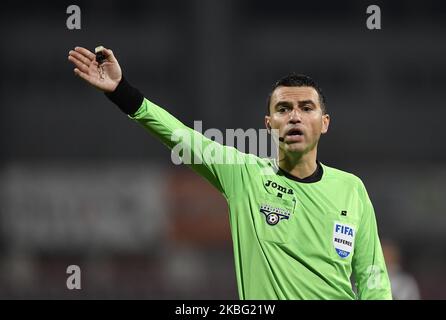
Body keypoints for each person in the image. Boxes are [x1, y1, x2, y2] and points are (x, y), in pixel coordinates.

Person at [68, 46, 392, 299]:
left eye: (306, 108)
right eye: (283, 109)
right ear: (269, 125)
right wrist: (122, 91)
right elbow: (182, 137)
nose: (295, 116)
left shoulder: (352, 189)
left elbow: (372, 276)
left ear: (324, 123)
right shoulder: (245, 176)